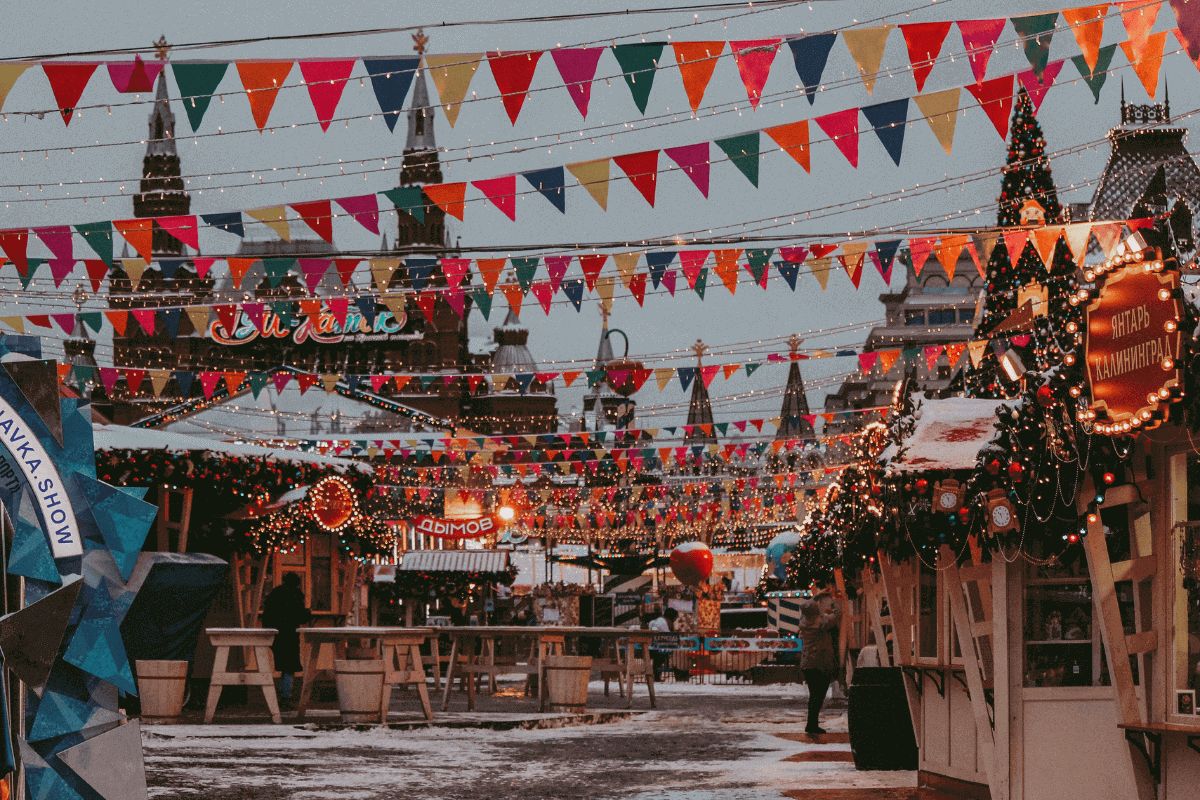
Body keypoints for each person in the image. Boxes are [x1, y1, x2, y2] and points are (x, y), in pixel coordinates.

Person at [261, 572, 312, 706]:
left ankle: (283, 693)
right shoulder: (297, 594)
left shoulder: (275, 593)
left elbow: (267, 614)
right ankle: (286, 695)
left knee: (283, 664)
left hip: (276, 634)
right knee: (290, 666)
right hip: (290, 633)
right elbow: (301, 617)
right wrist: (308, 613)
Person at [797, 599, 839, 735]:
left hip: (807, 664)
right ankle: (812, 725)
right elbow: (837, 617)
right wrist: (837, 602)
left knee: (814, 695)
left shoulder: (803, 622)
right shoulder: (820, 623)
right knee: (818, 695)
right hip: (819, 663)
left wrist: (819, 596)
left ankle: (812, 723)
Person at [648, 608, 678, 680]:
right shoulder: (662, 623)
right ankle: (656, 676)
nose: (673, 622)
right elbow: (668, 635)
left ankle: (656, 676)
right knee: (660, 659)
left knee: (659, 660)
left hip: (652, 646)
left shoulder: (658, 621)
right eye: (674, 619)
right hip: (655, 647)